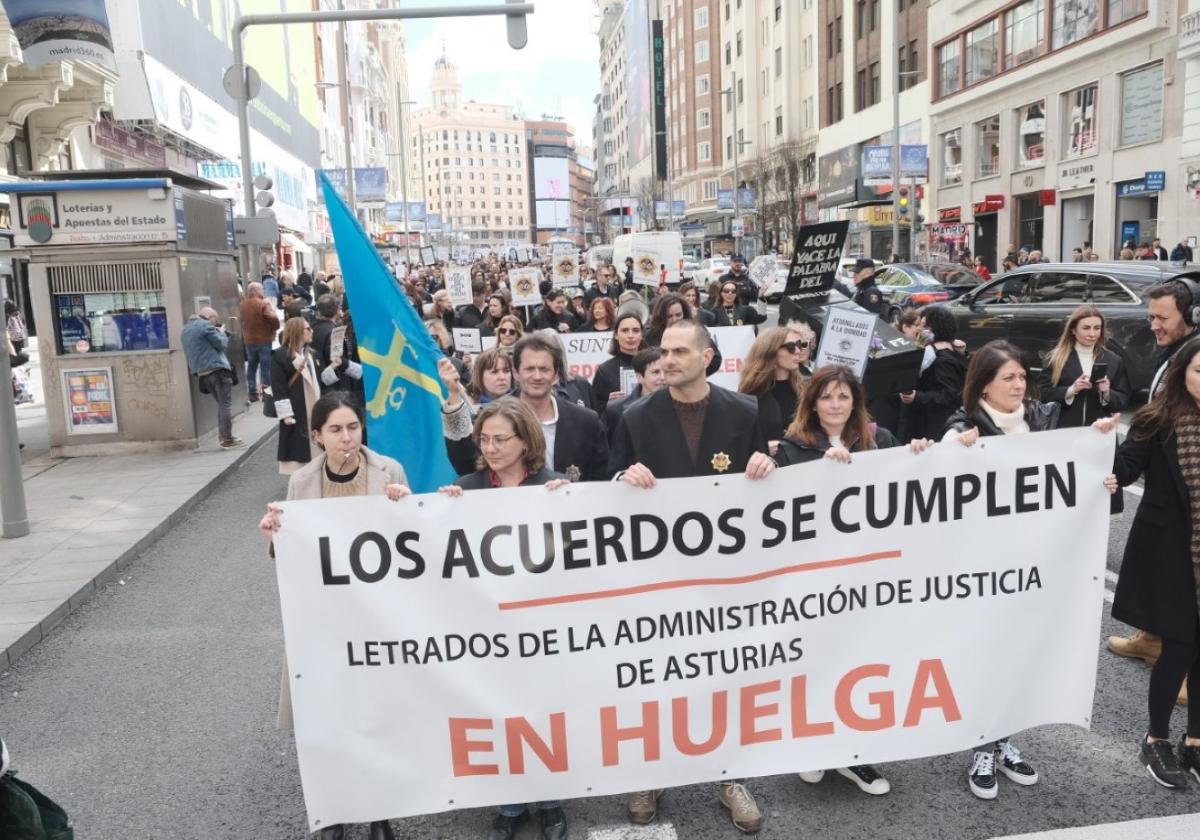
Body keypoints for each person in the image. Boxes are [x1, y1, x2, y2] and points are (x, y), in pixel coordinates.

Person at [609, 318, 774, 832]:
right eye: (665, 351)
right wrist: (622, 478)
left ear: (709, 358)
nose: (668, 359)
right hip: (659, 575)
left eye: (681, 351)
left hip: (724, 576)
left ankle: (730, 775)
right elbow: (605, 484)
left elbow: (769, 481)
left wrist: (767, 470)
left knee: (724, 675)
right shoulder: (635, 416)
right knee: (657, 675)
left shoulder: (745, 411)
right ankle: (652, 773)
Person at [943, 340, 1116, 799]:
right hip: (980, 569)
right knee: (985, 655)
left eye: (1022, 377)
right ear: (983, 384)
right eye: (1009, 379)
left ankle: (1004, 740)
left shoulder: (1040, 419)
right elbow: (936, 482)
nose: (1020, 386)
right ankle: (981, 744)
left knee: (1019, 653)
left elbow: (1068, 469)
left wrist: (1098, 457)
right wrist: (950, 449)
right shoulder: (963, 427)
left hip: (1032, 563)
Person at [258, 392, 407, 840]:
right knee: (328, 717)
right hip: (324, 623)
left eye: (353, 428)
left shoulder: (389, 471)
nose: (347, 438)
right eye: (336, 430)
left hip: (377, 617)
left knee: (375, 717)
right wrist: (273, 536)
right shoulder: (302, 482)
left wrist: (406, 509)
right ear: (317, 436)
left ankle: (379, 812)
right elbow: (291, 553)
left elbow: (416, 546)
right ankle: (334, 812)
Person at [437, 397, 570, 840]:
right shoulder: (467, 489)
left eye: (500, 439)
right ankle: (509, 805)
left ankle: (551, 801)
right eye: (484, 439)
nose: (490, 447)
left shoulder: (553, 486)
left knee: (545, 712)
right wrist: (442, 510)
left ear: (525, 441)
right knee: (499, 713)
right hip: (490, 629)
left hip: (543, 626)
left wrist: (568, 505)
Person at [1109, 335, 1200, 789]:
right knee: (1180, 646)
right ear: (1183, 371)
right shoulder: (1158, 419)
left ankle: (1196, 743)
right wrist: (1102, 456)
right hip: (1171, 554)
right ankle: (1157, 739)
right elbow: (1126, 466)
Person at [1108, 278, 1200, 674]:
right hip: (1161, 478)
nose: (1153, 325)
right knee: (1154, 571)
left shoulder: (1194, 357)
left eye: (1162, 318)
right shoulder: (1173, 352)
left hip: (1187, 491)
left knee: (1181, 582)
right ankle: (1152, 637)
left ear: (1191, 317)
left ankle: (1183, 666)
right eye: (1150, 317)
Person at [445, 333, 607, 482]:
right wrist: (453, 396)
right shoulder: (492, 415)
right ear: (516, 373)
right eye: (529, 369)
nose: (537, 376)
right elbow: (465, 465)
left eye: (544, 369)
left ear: (556, 375)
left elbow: (600, 481)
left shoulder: (586, 422)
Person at [1039, 306, 1131, 428]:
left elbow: (1123, 399)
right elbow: (1043, 393)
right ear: (1073, 330)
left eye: (1097, 328)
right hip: (1065, 431)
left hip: (1100, 431)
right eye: (1086, 328)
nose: (1092, 334)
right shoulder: (1056, 358)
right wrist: (1071, 390)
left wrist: (1107, 393)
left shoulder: (1114, 360)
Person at [899, 305, 968, 442]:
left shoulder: (942, 360)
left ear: (936, 328)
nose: (920, 329)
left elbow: (949, 395)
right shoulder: (948, 351)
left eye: (925, 326)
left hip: (934, 427)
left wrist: (917, 397)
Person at [738, 325, 809, 454]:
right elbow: (740, 440)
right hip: (767, 468)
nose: (799, 351)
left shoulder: (808, 389)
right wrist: (763, 448)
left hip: (803, 465)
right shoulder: (750, 394)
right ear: (771, 351)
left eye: (801, 345)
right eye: (791, 347)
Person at [181, 308, 242, 449]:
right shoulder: (206, 326)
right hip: (217, 370)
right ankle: (226, 438)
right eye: (216, 320)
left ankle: (226, 437)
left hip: (202, 373)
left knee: (221, 404)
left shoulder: (185, 330)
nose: (216, 323)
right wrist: (221, 333)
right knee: (225, 404)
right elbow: (221, 344)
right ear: (211, 317)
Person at [271, 316, 321, 475]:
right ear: (298, 331)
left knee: (316, 447)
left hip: (315, 407)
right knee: (299, 451)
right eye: (308, 329)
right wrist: (286, 415)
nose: (312, 331)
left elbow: (322, 381)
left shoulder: (312, 353)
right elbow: (278, 388)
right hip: (296, 409)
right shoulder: (280, 355)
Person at [602, 347, 665, 447]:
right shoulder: (615, 410)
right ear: (639, 377)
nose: (663, 377)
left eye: (666, 371)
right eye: (656, 372)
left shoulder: (679, 405)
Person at [591, 312, 649, 414]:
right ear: (616, 335)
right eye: (625, 330)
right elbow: (595, 409)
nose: (630, 336)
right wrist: (610, 404)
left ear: (641, 335)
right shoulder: (605, 370)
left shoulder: (653, 365)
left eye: (635, 331)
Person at [311, 295, 364, 394]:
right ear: (337, 310)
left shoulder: (311, 327)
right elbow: (338, 361)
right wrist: (360, 371)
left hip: (316, 380)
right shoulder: (336, 332)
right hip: (334, 386)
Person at [239, 282, 278, 404]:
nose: (263, 291)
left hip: (249, 340)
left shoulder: (242, 304)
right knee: (265, 367)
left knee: (252, 366)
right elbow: (272, 318)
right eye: (262, 289)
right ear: (256, 291)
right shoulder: (263, 303)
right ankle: (266, 394)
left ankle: (252, 393)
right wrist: (274, 327)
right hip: (264, 339)